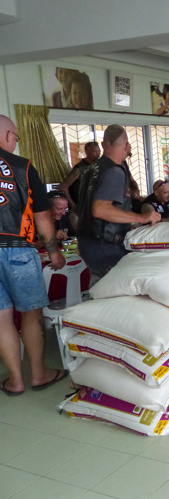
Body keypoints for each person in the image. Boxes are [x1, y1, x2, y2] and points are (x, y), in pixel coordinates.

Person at [0, 115, 69, 396]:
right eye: (15, 136)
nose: (16, 141)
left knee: (2, 318)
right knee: (31, 314)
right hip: (17, 249)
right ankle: (39, 373)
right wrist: (53, 252)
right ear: (6, 136)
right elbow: (42, 216)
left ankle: (15, 380)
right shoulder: (22, 166)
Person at [76, 124, 160, 281]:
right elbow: (100, 209)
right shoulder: (114, 172)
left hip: (88, 241)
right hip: (105, 243)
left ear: (103, 145)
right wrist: (141, 218)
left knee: (100, 288)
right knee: (112, 292)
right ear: (127, 145)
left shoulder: (90, 169)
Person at [59, 140, 101, 210]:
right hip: (83, 207)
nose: (98, 155)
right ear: (87, 152)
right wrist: (73, 206)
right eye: (94, 152)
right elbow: (63, 187)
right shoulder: (80, 169)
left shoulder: (98, 166)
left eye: (99, 151)